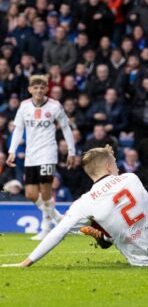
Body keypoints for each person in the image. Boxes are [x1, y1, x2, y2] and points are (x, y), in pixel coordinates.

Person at [0, 145, 148, 268]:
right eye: (114, 163)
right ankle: (107, 237)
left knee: (105, 222)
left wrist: (26, 262)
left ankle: (106, 238)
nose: (117, 166)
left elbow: (57, 234)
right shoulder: (131, 178)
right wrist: (108, 153)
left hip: (145, 262)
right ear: (108, 165)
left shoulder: (85, 201)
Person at [7, 75, 77, 240]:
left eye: (42, 87)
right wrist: (12, 151)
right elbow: (18, 130)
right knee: (31, 194)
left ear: (46, 89)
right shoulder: (24, 106)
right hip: (31, 155)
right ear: (30, 89)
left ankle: (46, 228)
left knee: (45, 191)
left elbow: (66, 128)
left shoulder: (54, 106)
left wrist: (71, 151)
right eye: (35, 87)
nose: (38, 90)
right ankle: (58, 218)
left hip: (48, 153)